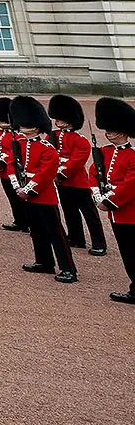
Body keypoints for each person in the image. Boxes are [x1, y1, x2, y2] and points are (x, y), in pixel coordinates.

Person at [11, 95, 76, 283]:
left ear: (37, 127)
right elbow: (12, 164)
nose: (23, 128)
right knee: (36, 230)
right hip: (26, 193)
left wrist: (28, 189)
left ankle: (68, 268)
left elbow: (46, 173)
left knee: (55, 232)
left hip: (43, 195)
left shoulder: (48, 148)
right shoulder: (20, 145)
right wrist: (17, 185)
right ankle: (44, 261)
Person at [49, 95, 108, 258]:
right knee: (69, 211)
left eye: (62, 118)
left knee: (89, 214)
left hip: (77, 182)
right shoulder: (51, 136)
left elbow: (77, 161)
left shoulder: (80, 140)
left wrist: (60, 173)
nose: (58, 121)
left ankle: (99, 243)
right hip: (61, 182)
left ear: (71, 120)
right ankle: (76, 238)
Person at [93, 96, 135, 304]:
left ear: (125, 132)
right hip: (115, 213)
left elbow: (130, 185)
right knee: (127, 252)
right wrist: (98, 196)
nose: (109, 135)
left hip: (129, 212)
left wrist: (108, 201)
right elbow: (94, 173)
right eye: (108, 131)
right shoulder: (104, 152)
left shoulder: (133, 155)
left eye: (113, 131)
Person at [0, 97, 29, 234]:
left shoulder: (18, 135)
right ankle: (19, 221)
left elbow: (14, 152)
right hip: (3, 173)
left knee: (22, 198)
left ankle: (28, 222)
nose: (1, 123)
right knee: (12, 198)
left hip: (15, 171)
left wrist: (2, 162)